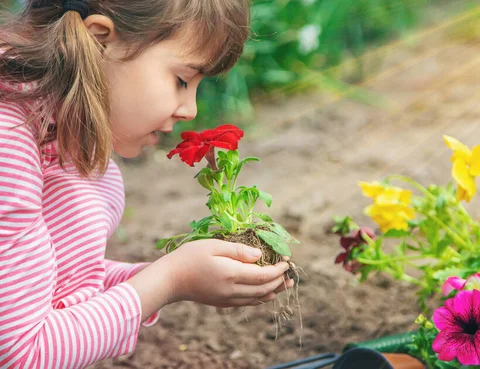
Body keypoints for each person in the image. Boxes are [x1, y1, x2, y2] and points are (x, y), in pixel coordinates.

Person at [0, 1, 293, 367]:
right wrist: (168, 281)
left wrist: (166, 277)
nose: (190, 110)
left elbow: (49, 284)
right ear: (98, 42)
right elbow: (22, 353)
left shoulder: (48, 122)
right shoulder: (7, 141)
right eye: (182, 80)